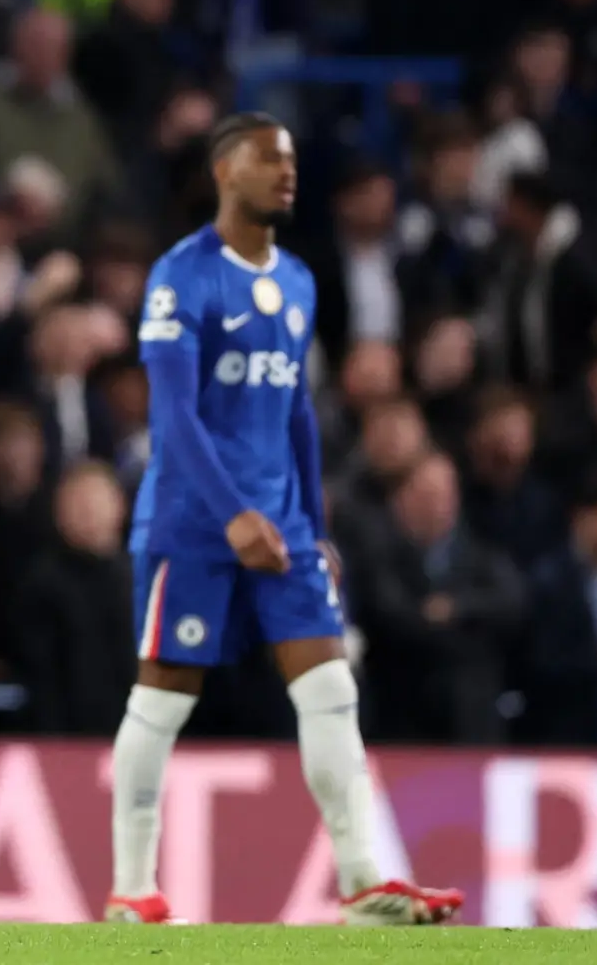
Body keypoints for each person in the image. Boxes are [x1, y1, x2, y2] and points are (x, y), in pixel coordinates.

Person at [111, 112, 463, 926]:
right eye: (268, 159)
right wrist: (233, 514)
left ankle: (364, 882)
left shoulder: (299, 279)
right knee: (164, 697)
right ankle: (131, 887)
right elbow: (174, 418)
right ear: (225, 171)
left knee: (331, 687)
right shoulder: (181, 276)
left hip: (283, 530)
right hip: (193, 526)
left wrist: (311, 523)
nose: (286, 172)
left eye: (292, 160)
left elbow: (297, 409)